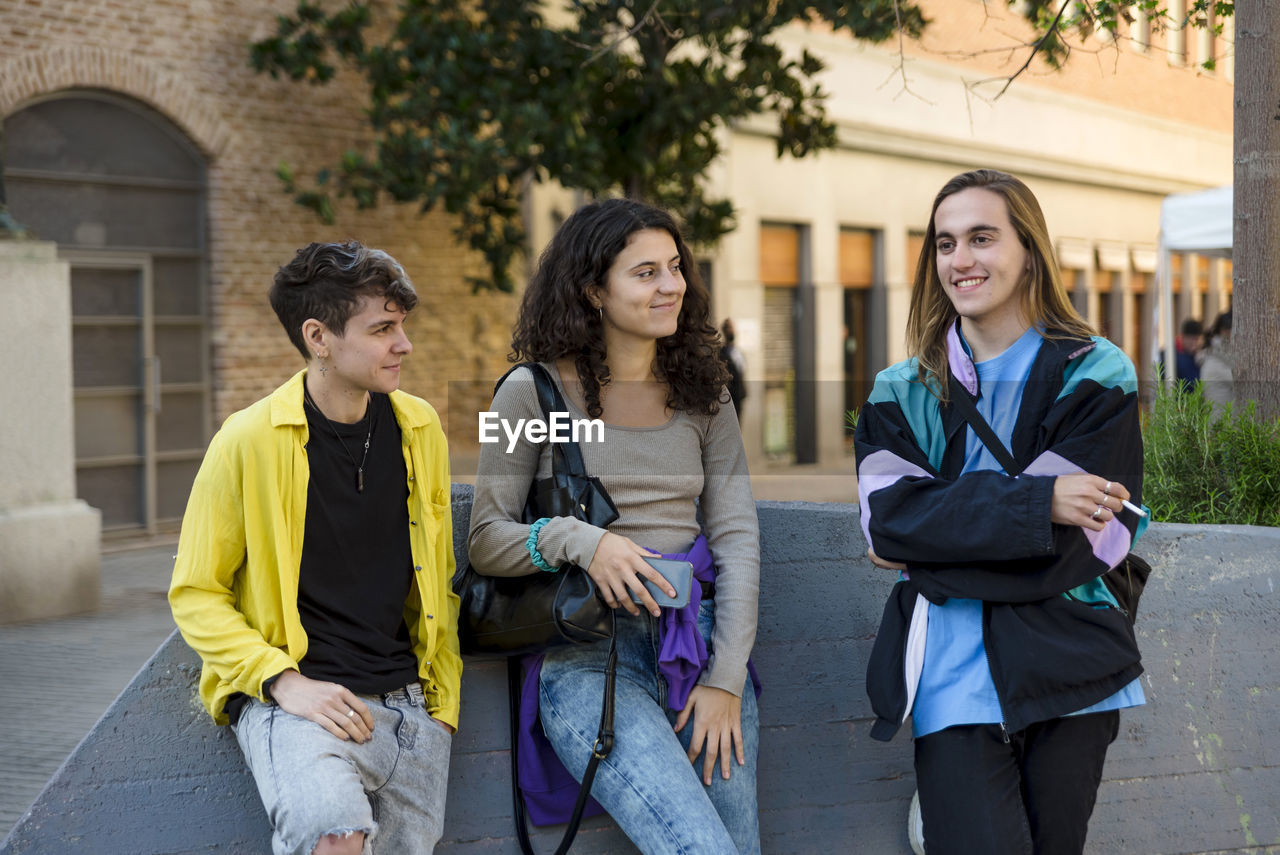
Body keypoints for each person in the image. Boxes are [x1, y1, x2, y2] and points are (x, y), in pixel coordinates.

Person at [854, 169, 1146, 855]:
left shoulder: (1095, 373)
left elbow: (1085, 549)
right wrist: (1038, 500)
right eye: (945, 243)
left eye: (982, 238)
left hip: (1070, 670)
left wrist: (932, 552)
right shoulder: (900, 391)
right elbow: (886, 520)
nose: (961, 260)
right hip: (949, 677)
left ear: (1028, 251)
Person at [467, 198, 762, 854]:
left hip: (701, 645)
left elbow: (737, 535)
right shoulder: (528, 391)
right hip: (589, 657)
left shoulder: (706, 391)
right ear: (593, 290)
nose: (672, 285)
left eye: (675, 267)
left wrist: (726, 679)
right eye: (646, 272)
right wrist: (582, 538)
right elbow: (485, 537)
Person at [169, 241, 461, 855]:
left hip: (412, 712)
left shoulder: (420, 429)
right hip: (301, 706)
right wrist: (280, 682)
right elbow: (196, 593)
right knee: (334, 837)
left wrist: (442, 709)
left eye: (401, 326)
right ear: (318, 337)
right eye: (382, 329)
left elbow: (439, 577)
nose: (403, 345)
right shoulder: (247, 441)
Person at [1199, 309, 1234, 418]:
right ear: (1224, 332)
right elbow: (1243, 384)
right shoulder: (1217, 359)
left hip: (1221, 425)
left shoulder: (1216, 354)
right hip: (1222, 427)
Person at [720, 318, 748, 419]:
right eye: (728, 328)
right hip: (728, 398)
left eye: (732, 328)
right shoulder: (721, 353)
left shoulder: (738, 352)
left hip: (738, 397)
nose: (731, 331)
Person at [1175, 316, 1203, 390]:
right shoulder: (1172, 356)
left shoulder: (1199, 356)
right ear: (1182, 337)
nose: (1193, 343)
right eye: (1190, 339)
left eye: (1196, 339)